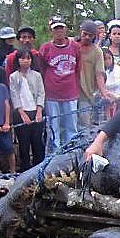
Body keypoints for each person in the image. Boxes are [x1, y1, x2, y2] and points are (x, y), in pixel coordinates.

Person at [39, 15, 81, 153]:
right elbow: (42, 69)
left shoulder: (75, 46)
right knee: (54, 127)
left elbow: (78, 68)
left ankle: (72, 151)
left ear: (65, 29)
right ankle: (55, 154)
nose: (59, 31)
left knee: (71, 126)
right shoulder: (45, 48)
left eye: (61, 28)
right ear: (51, 31)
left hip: (70, 92)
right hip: (52, 93)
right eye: (55, 29)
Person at [9, 47, 45, 172]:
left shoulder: (37, 75)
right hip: (21, 114)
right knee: (23, 145)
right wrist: (22, 113)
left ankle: (39, 170)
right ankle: (25, 170)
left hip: (36, 112)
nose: (25, 61)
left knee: (37, 143)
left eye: (28, 58)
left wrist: (39, 111)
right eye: (22, 58)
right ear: (17, 60)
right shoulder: (14, 77)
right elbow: (14, 96)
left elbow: (41, 93)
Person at [77, 20, 110, 128]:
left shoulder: (97, 52)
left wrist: (104, 93)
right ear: (80, 32)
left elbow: (99, 74)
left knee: (84, 124)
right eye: (84, 34)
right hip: (69, 92)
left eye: (90, 35)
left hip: (86, 93)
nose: (86, 37)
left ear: (94, 36)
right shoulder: (72, 46)